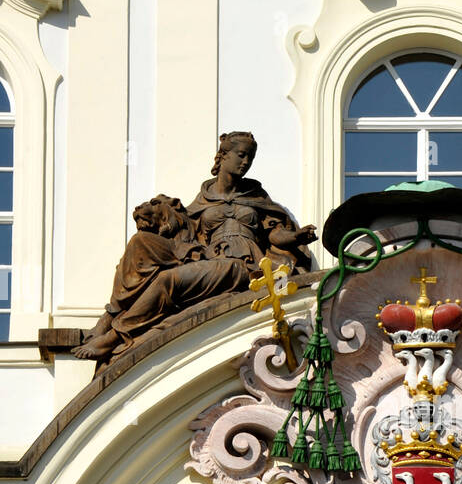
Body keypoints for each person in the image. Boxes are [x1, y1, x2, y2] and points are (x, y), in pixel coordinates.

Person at [73, 194, 248, 366]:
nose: (243, 164)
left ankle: (114, 336)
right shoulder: (203, 201)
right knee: (138, 242)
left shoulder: (258, 200)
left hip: (236, 267)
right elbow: (184, 224)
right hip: (207, 257)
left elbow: (276, 240)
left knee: (166, 279)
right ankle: (111, 315)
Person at [186, 131, 316, 274]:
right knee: (168, 279)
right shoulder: (204, 198)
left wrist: (296, 237)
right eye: (241, 155)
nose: (246, 162)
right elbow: (185, 233)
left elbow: (274, 235)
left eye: (251, 157)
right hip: (214, 259)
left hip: (249, 262)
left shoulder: (256, 196)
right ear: (223, 155)